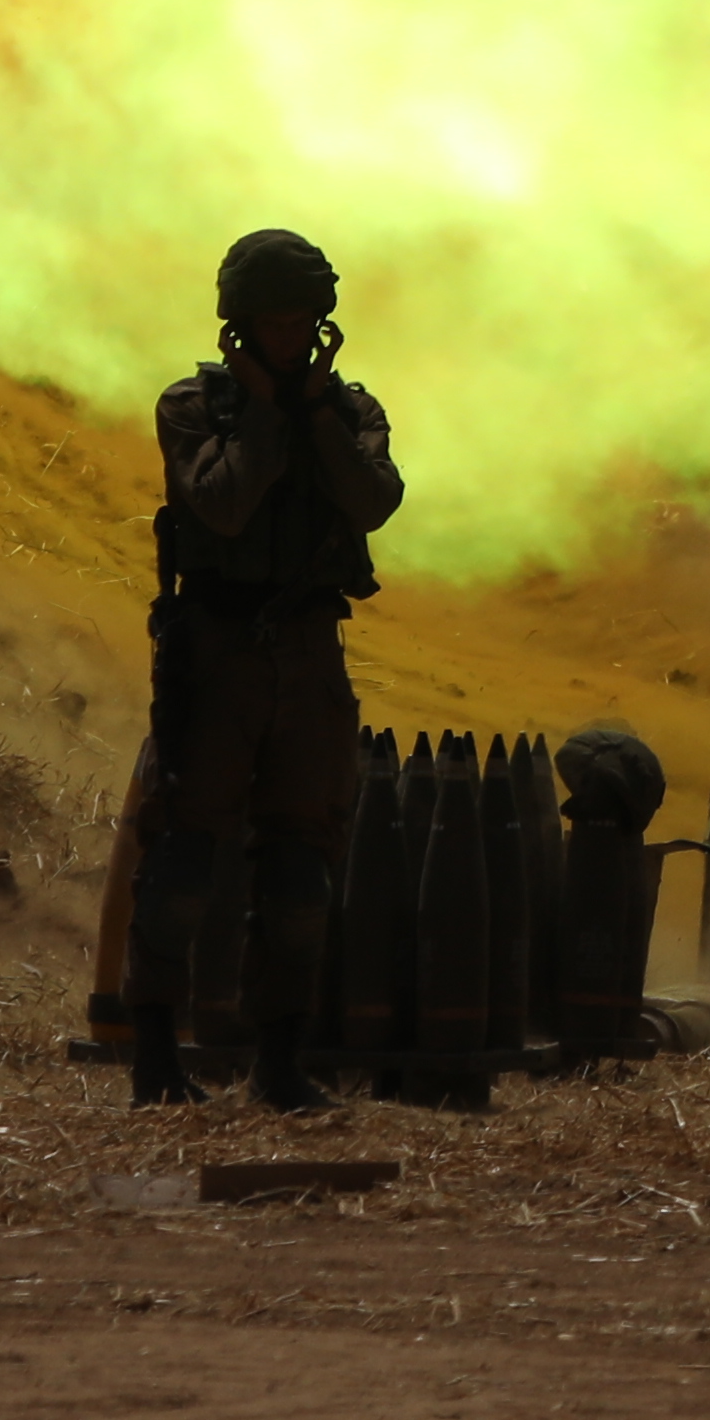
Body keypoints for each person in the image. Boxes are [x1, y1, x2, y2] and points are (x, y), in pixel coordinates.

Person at [133, 228, 400, 1112]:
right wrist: (260, 413)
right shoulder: (192, 408)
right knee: (183, 855)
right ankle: (154, 1061)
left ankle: (279, 1065)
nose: (287, 340)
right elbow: (223, 505)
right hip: (217, 649)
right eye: (270, 326)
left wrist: (312, 412)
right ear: (236, 331)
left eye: (302, 324)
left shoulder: (352, 413)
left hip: (309, 652)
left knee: (301, 865)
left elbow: (372, 500)